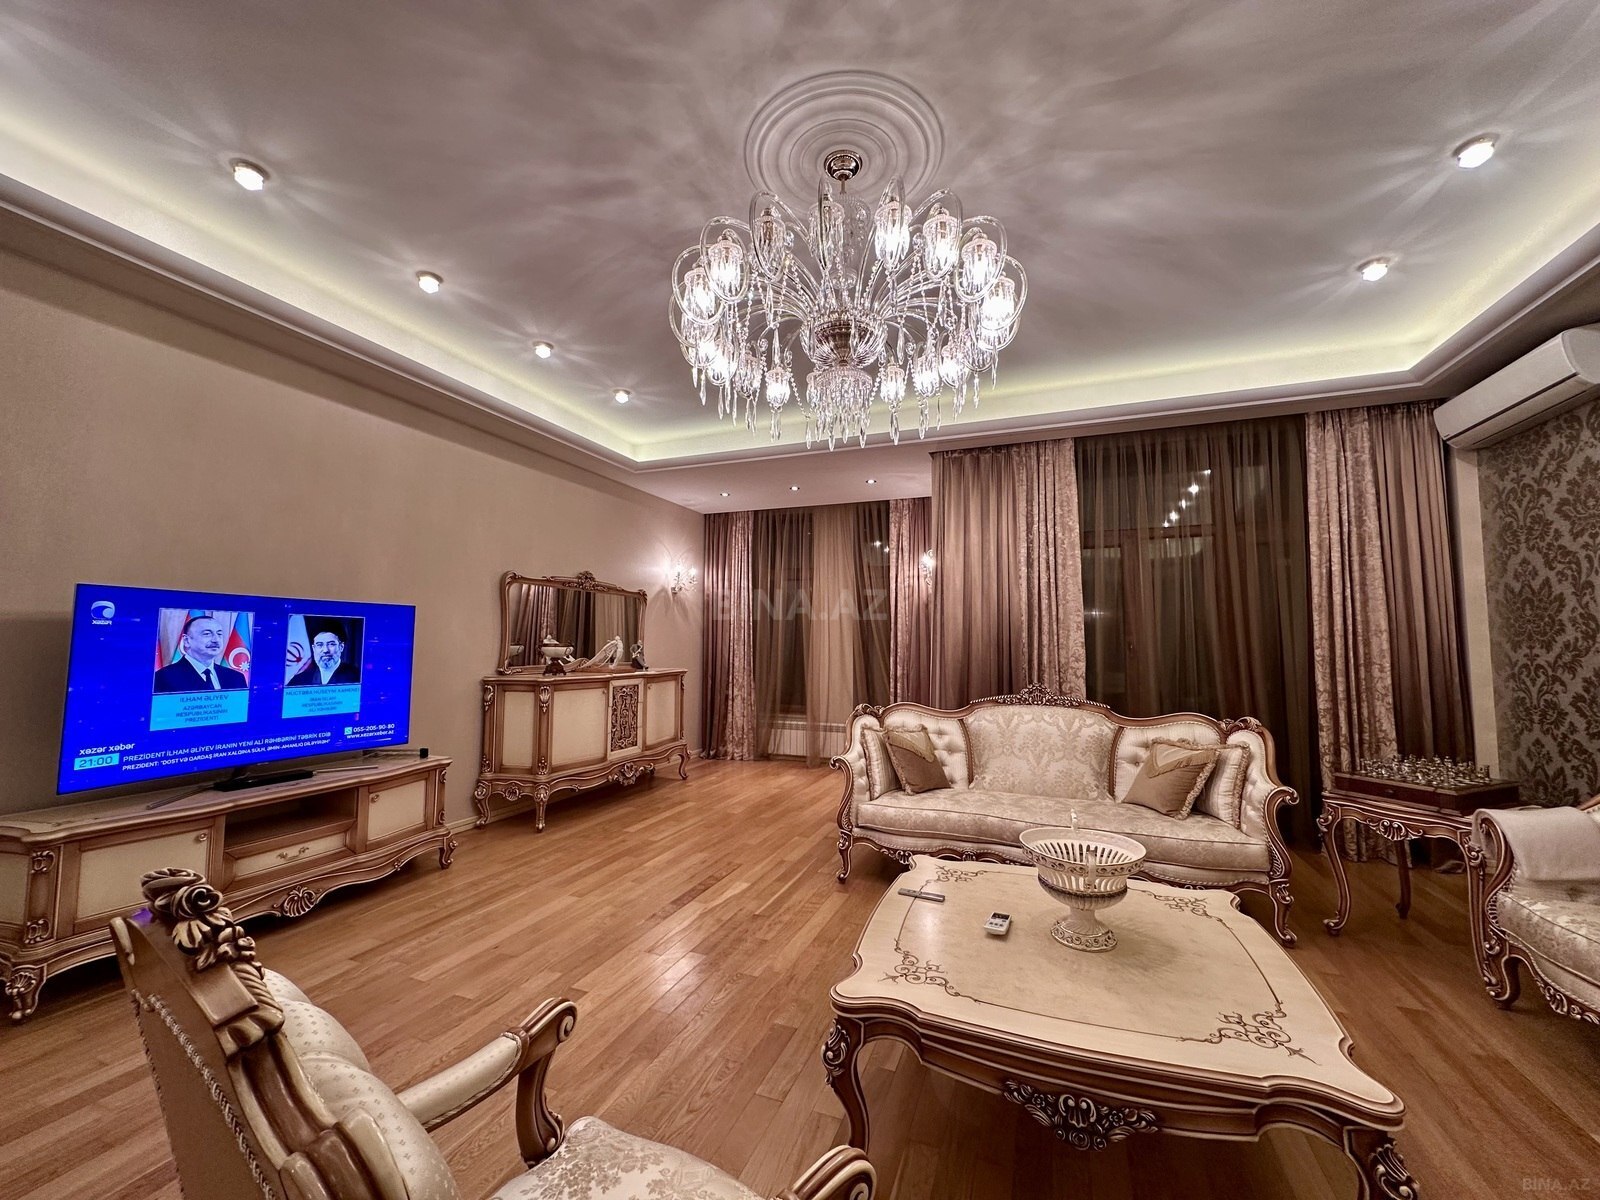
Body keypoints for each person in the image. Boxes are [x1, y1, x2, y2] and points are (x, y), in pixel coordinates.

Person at [152, 614, 248, 693]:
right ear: (186, 641)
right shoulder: (164, 677)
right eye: (207, 634)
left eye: (219, 634)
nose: (216, 640)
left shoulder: (236, 678)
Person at [287, 626, 361, 686]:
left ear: (341, 647)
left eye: (331, 644)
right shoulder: (299, 680)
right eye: (319, 645)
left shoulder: (358, 676)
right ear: (314, 648)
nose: (325, 650)